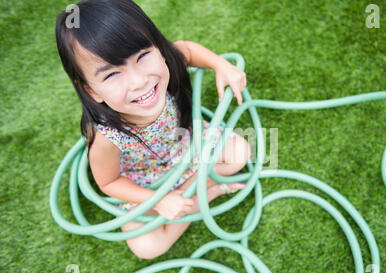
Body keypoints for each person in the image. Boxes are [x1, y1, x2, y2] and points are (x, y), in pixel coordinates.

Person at [55, 0, 251, 259]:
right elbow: (109, 182)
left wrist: (220, 65)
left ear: (158, 48)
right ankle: (204, 194)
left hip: (183, 147)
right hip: (144, 181)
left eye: (143, 56)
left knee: (240, 152)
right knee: (147, 248)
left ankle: (191, 199)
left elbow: (188, 51)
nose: (139, 81)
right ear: (92, 90)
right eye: (111, 75)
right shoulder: (105, 137)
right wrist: (159, 200)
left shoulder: (166, 61)